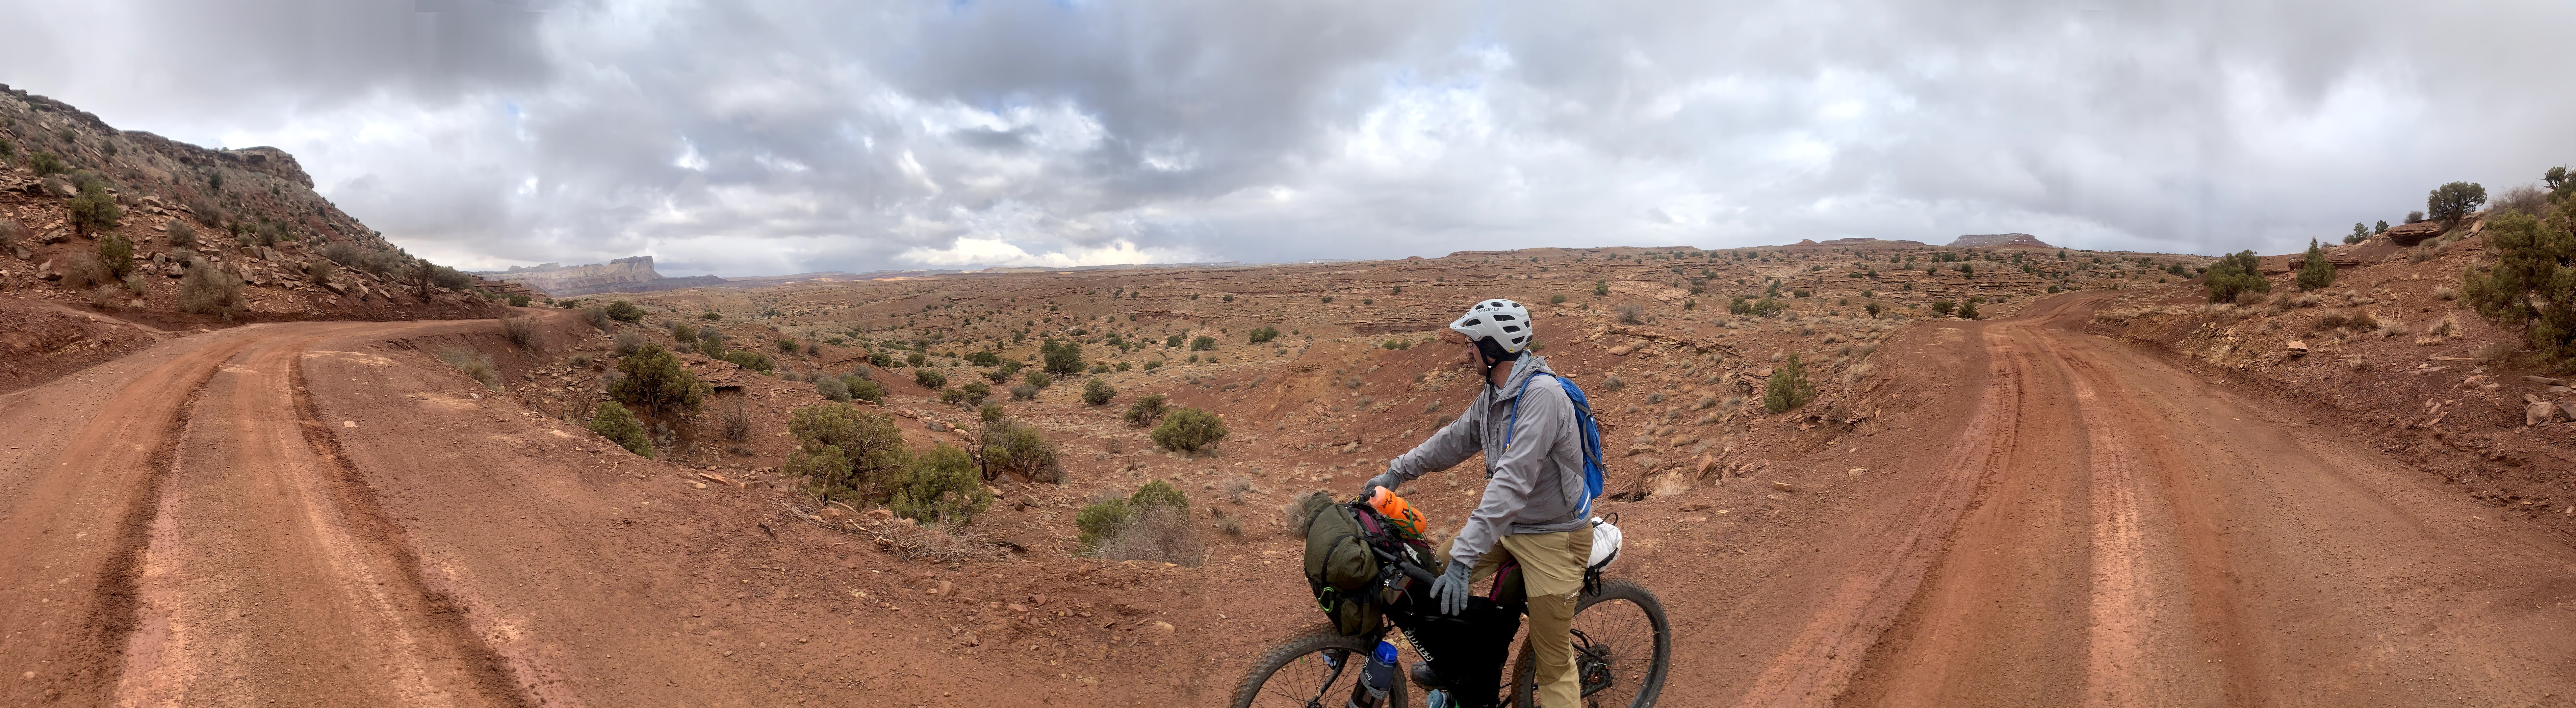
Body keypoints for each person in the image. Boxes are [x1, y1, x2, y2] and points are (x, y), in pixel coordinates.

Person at [1365, 298, 1592, 708]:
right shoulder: (1495, 393)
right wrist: (1396, 472)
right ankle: (1461, 663)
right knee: (1433, 574)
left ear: (1493, 349)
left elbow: (1510, 483)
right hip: (1510, 527)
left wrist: (1467, 558)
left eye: (1471, 344)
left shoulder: (1541, 397)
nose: (1465, 351)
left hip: (1554, 539)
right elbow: (1452, 440)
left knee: (1553, 664)